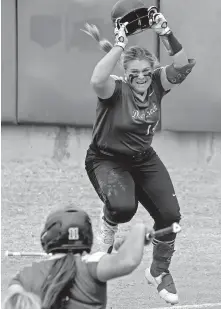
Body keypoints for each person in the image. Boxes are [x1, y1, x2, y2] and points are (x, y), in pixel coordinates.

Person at [83, 0, 196, 305]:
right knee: (124, 208)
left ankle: (159, 271)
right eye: (136, 72)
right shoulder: (115, 89)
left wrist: (166, 32)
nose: (142, 77)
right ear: (126, 73)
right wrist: (119, 46)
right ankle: (107, 233)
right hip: (106, 159)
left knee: (171, 215)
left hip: (143, 158)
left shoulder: (157, 83)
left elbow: (182, 65)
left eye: (147, 71)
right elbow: (96, 79)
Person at [2, 205, 151, 309]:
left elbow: (13, 302)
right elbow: (128, 260)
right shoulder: (92, 266)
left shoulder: (25, 276)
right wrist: (138, 231)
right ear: (87, 237)